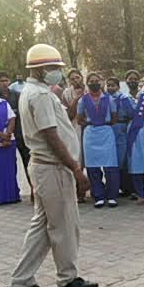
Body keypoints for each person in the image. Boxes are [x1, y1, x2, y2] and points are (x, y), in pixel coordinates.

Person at [9, 43, 98, 287]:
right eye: (52, 68)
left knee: (42, 224)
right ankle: (68, 278)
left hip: (44, 167)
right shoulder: (41, 96)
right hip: (53, 168)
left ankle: (22, 277)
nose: (57, 72)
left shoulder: (33, 92)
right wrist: (75, 169)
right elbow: (51, 135)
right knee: (64, 225)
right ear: (38, 70)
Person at [76, 73, 120, 208]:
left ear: (101, 82)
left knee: (110, 165)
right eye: (91, 81)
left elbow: (114, 117)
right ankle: (98, 195)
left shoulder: (109, 99)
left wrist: (103, 123)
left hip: (106, 132)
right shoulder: (82, 100)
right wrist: (92, 123)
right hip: (90, 134)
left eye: (97, 81)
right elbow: (79, 119)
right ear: (87, 83)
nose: (94, 83)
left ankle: (112, 195)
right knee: (92, 166)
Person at [0, 71, 33, 200]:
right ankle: (10, 193)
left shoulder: (17, 96)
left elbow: (24, 113)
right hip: (3, 135)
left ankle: (34, 189)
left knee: (28, 161)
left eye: (6, 80)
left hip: (20, 133)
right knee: (8, 164)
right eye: (1, 81)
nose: (5, 83)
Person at [106, 77, 136, 199]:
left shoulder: (124, 99)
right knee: (112, 160)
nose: (110, 88)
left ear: (118, 86)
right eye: (108, 85)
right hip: (109, 129)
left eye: (112, 85)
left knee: (122, 160)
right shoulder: (104, 99)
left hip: (121, 129)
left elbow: (132, 114)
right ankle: (114, 188)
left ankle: (127, 188)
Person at [61, 69, 87, 202]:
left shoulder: (89, 89)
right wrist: (77, 98)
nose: (75, 81)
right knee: (78, 158)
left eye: (77, 78)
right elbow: (69, 115)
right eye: (72, 79)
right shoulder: (66, 93)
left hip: (90, 127)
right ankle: (79, 192)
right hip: (75, 127)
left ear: (82, 78)